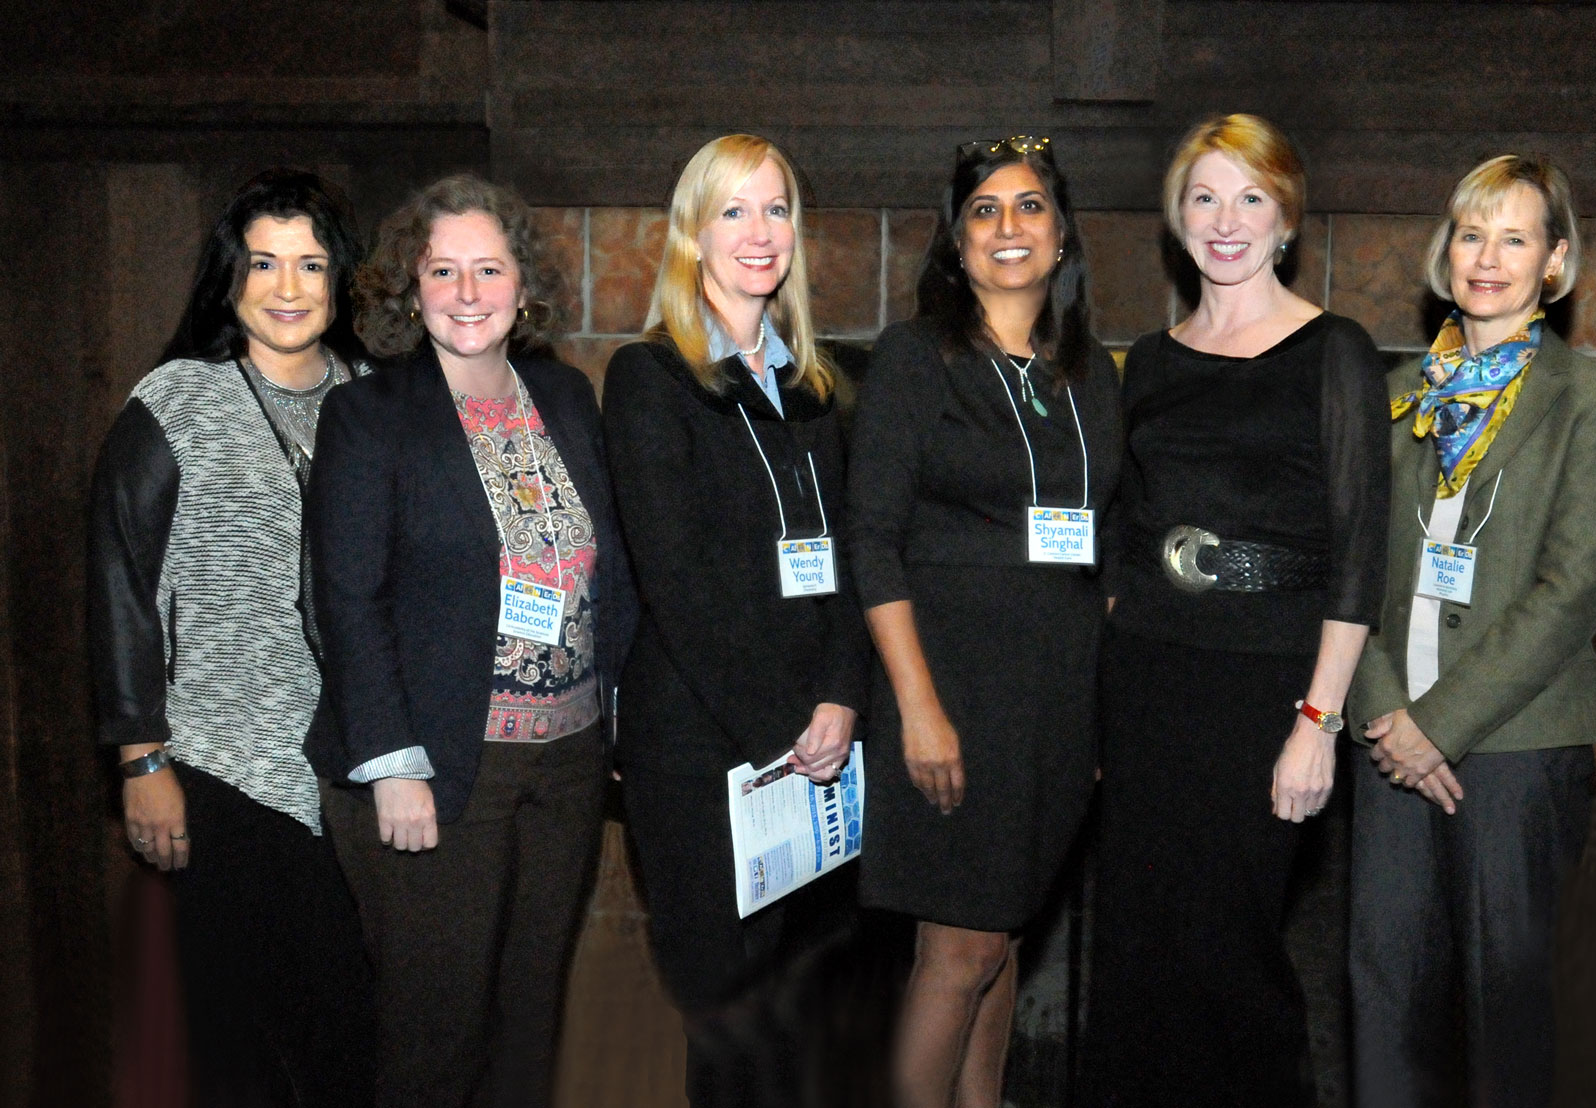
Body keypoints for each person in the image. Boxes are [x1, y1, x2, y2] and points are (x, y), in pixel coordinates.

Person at [1077, 113, 1389, 1108]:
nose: (1226, 219)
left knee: (1232, 947)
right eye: (1203, 196)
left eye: (1249, 197)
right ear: (1176, 218)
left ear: (1284, 218)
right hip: (1148, 681)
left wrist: (1316, 723)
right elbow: (1124, 529)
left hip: (1267, 685)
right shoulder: (1152, 360)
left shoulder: (1333, 350)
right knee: (1139, 945)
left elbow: (1357, 555)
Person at [306, 174, 636, 1108]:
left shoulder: (568, 398)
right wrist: (392, 765)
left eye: (487, 268)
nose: (465, 291)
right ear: (410, 290)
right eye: (442, 270)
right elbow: (348, 599)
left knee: (528, 1025)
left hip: (568, 765)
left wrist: (620, 720)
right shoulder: (369, 418)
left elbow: (609, 571)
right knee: (435, 1038)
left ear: (523, 285)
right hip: (446, 766)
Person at [1342, 153, 1596, 1108]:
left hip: (1517, 752)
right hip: (1388, 744)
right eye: (1472, 233)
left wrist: (1443, 721)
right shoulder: (1397, 395)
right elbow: (1350, 565)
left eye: (1515, 237)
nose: (1488, 257)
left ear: (1554, 261)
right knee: (1385, 999)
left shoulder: (1595, 403)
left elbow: (1571, 593)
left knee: (1510, 1020)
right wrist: (1389, 711)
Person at [87, 167, 375, 1108]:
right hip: (218, 768)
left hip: (353, 771)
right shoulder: (176, 402)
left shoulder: (375, 400)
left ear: (340, 282)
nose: (288, 288)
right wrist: (141, 762)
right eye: (263, 262)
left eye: (310, 264)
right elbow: (120, 585)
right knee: (237, 1053)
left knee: (347, 1036)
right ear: (229, 277)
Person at [844, 135, 1121, 1108]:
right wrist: (916, 708)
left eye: (1029, 206)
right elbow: (871, 541)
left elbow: (1104, 548)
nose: (1009, 227)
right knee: (956, 950)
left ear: (1060, 236)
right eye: (984, 211)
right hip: (949, 687)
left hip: (1052, 704)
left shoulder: (1090, 373)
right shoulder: (916, 359)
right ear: (956, 243)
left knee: (999, 941)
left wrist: (1092, 711)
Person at [601, 133, 868, 1107]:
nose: (759, 232)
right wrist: (786, 728)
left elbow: (848, 558)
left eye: (776, 209)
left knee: (804, 1025)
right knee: (729, 1032)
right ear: (692, 234)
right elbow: (677, 584)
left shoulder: (814, 387)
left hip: (818, 744)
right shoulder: (649, 379)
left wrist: (842, 694)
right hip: (705, 750)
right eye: (733, 211)